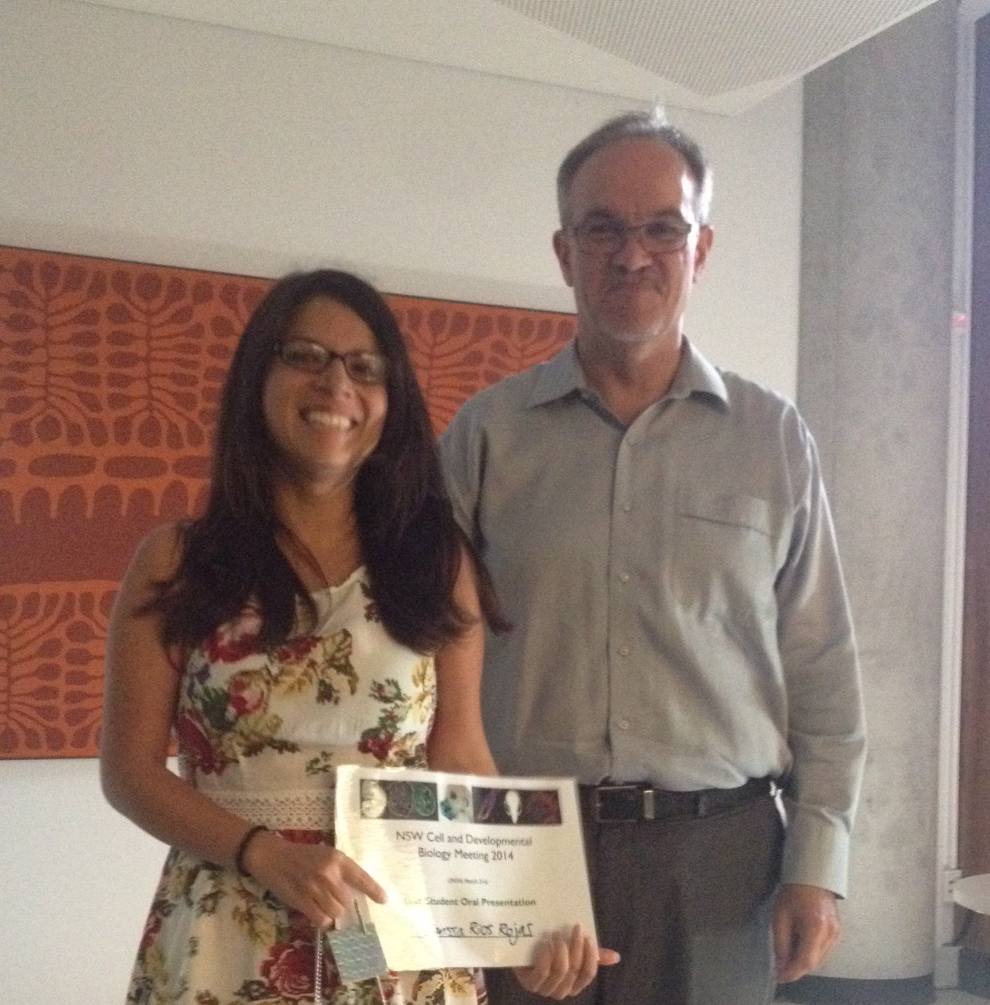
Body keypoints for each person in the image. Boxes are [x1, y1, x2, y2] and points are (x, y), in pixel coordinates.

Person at [439, 110, 867, 1005]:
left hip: (720, 861)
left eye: (662, 228)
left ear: (699, 248)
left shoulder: (773, 437)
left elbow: (822, 668)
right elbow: (420, 661)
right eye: (603, 228)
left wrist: (818, 864)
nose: (633, 254)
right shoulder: (486, 436)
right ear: (565, 252)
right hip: (527, 847)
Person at [100, 269, 613, 1005]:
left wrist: (520, 917)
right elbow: (131, 771)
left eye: (365, 366)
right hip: (228, 922)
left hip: (398, 929)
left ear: (389, 399)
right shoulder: (177, 561)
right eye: (306, 355)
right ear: (258, 376)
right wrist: (263, 852)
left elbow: (459, 753)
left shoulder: (435, 561)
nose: (336, 383)